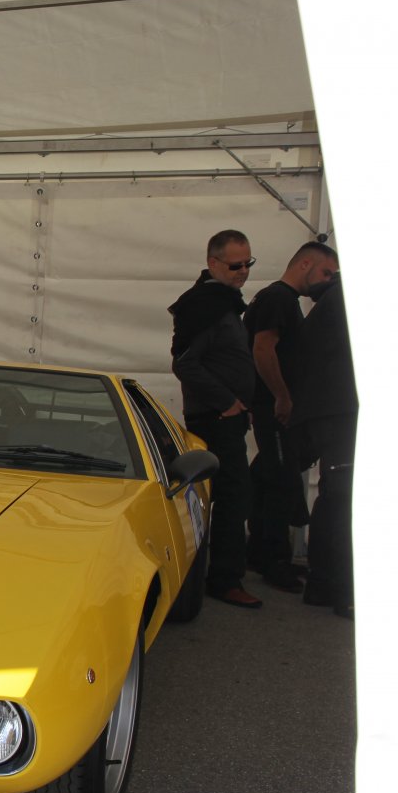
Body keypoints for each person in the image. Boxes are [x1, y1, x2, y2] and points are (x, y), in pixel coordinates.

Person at [169, 229, 260, 608]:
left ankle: (222, 573)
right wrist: (226, 403)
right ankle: (223, 578)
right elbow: (185, 363)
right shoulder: (206, 306)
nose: (243, 271)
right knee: (230, 495)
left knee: (229, 494)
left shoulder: (222, 302)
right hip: (215, 417)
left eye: (248, 263)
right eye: (235, 265)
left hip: (226, 415)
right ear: (213, 263)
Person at [243, 242, 340, 590]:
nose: (328, 280)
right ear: (305, 264)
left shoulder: (281, 299)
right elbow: (262, 349)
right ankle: (275, 561)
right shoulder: (279, 299)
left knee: (269, 476)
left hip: (274, 406)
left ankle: (258, 551)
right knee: (282, 483)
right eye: (326, 272)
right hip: (274, 408)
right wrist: (281, 396)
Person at [291, 268, 354, 618]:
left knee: (335, 495)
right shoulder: (346, 299)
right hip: (340, 411)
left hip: (331, 411)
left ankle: (324, 584)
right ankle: (343, 590)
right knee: (343, 498)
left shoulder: (333, 298)